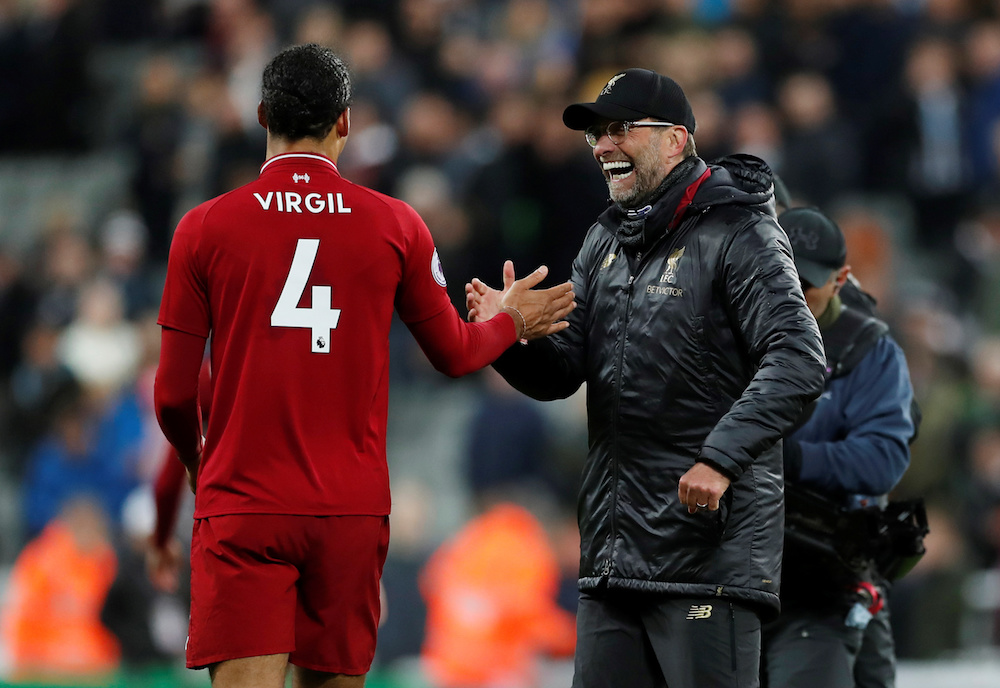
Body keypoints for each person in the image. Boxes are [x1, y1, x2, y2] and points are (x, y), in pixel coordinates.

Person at [153, 43, 575, 688]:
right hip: (348, 510)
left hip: (244, 503)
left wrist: (192, 459)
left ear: (262, 114)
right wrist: (512, 320)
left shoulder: (204, 228)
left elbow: (175, 395)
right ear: (346, 122)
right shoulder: (396, 224)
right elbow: (456, 354)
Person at [467, 68, 827, 688]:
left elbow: (798, 360)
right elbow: (563, 373)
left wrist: (719, 459)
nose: (604, 146)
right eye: (597, 135)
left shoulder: (741, 231)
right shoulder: (604, 240)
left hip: (705, 559)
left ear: (677, 140)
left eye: (620, 130)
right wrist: (505, 336)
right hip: (612, 564)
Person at [761, 207, 917, 688]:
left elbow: (883, 459)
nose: (793, 295)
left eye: (805, 284)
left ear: (841, 278)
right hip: (741, 561)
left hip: (826, 569)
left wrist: (790, 460)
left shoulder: (868, 351)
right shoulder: (731, 332)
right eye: (780, 277)